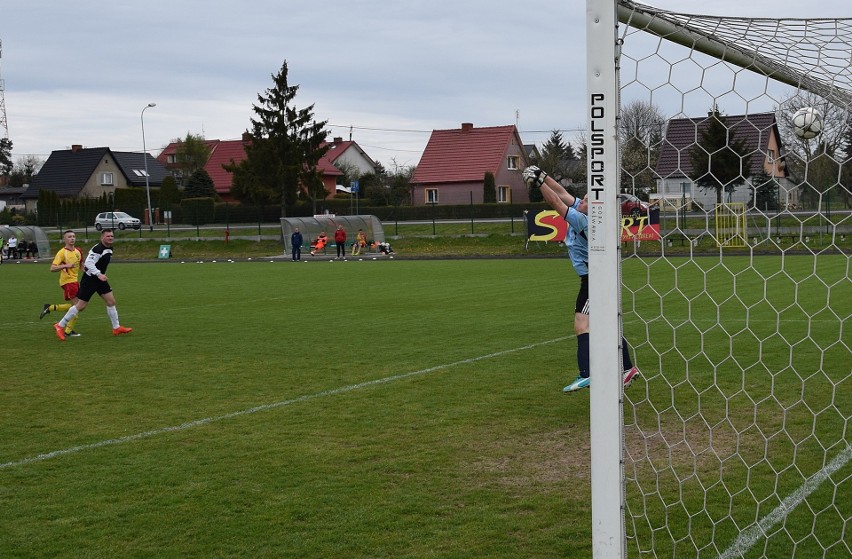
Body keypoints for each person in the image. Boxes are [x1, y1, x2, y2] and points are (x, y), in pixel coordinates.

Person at [522, 165, 640, 393]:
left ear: (591, 208)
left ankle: (587, 373)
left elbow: (556, 203)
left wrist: (537, 184)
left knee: (581, 324)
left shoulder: (584, 221)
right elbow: (563, 194)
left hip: (593, 280)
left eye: (585, 199)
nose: (581, 199)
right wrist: (543, 176)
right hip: (600, 277)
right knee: (607, 324)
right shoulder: (587, 212)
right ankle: (627, 368)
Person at [52, 229, 132, 341]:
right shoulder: (97, 249)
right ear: (102, 238)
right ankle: (60, 325)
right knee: (80, 306)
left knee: (111, 301)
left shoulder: (109, 248)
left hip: (99, 279)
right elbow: (89, 263)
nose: (110, 238)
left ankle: (116, 328)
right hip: (90, 279)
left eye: (112, 236)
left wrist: (100, 275)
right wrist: (98, 274)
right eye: (108, 236)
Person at [40, 230, 83, 337]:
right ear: (65, 239)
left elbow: (82, 265)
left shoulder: (78, 251)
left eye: (73, 236)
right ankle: (67, 330)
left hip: (75, 281)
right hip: (68, 281)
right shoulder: (62, 252)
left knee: (77, 307)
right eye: (69, 237)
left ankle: (50, 308)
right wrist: (66, 266)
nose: (72, 238)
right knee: (78, 307)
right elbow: (52, 268)